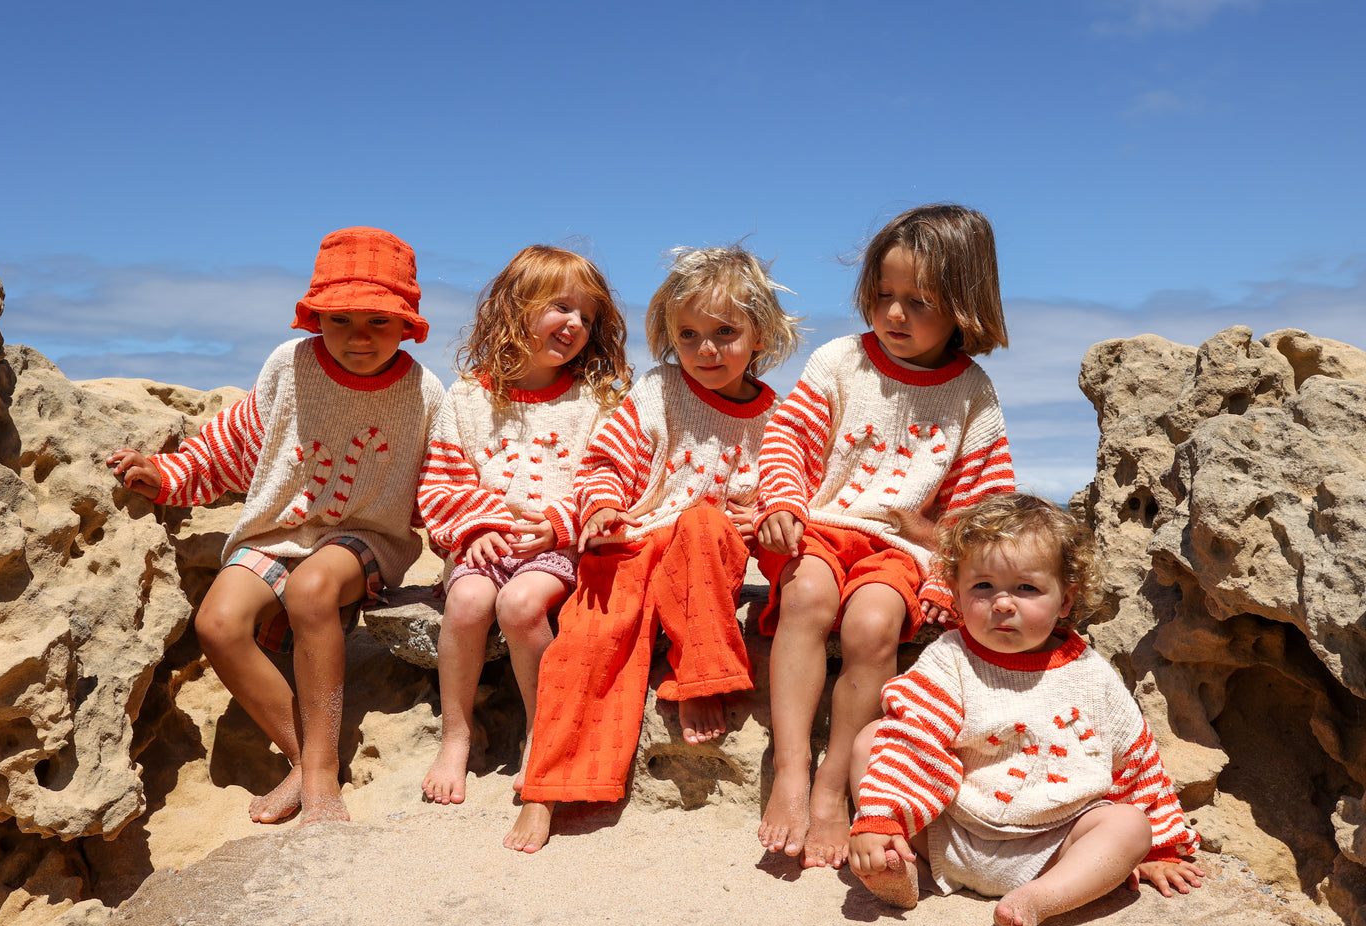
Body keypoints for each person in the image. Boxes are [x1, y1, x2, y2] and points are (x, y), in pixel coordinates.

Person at [107, 227, 446, 824]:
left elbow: (440, 484)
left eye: (378, 322)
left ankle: (319, 781)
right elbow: (237, 442)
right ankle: (306, 756)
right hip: (277, 530)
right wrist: (167, 477)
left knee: (313, 588)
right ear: (316, 318)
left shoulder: (425, 392)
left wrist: (469, 547)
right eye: (340, 320)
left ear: (408, 324)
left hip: (366, 537)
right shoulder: (288, 366)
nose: (358, 338)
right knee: (217, 622)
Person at [505, 245, 801, 853]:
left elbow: (784, 483)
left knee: (702, 523)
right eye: (688, 335)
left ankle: (700, 679)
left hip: (704, 550)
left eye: (725, 333)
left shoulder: (777, 416)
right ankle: (546, 790)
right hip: (636, 541)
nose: (706, 350)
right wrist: (606, 506)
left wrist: (769, 511)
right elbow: (608, 461)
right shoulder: (660, 389)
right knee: (586, 640)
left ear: (762, 335)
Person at [756, 204, 1016, 868]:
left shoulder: (971, 395)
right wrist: (782, 499)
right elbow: (788, 438)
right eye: (881, 296)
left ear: (964, 305)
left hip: (899, 548)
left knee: (872, 626)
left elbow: (978, 508)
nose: (893, 314)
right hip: (821, 525)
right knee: (807, 597)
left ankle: (832, 784)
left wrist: (942, 578)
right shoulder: (840, 360)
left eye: (917, 301)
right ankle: (789, 767)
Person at [848, 492, 1203, 926]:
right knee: (874, 738)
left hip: (1052, 847)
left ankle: (1037, 899)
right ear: (956, 592)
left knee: (1130, 825)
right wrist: (882, 819)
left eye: (1026, 588)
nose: (1001, 603)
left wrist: (1160, 847)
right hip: (949, 831)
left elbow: (1133, 759)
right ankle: (901, 866)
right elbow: (913, 739)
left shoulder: (1090, 672)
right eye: (982, 587)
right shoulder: (949, 658)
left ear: (1065, 600)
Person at [417, 245, 630, 805]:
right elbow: (439, 483)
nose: (576, 324)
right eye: (562, 307)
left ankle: (542, 732)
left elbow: (610, 481)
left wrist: (559, 526)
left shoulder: (598, 401)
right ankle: (456, 734)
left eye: (588, 316)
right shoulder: (467, 398)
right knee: (466, 604)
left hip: (556, 549)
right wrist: (473, 528)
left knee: (520, 605)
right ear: (515, 307)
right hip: (481, 545)